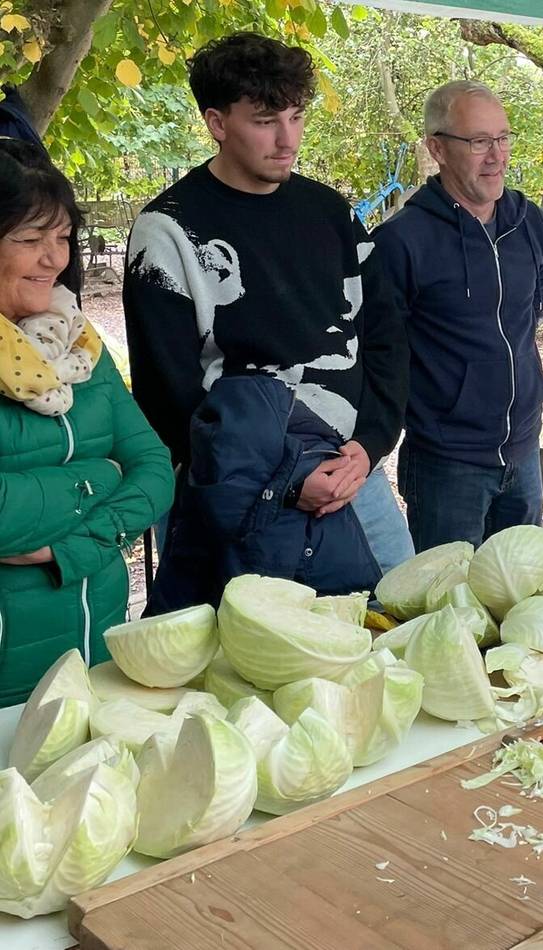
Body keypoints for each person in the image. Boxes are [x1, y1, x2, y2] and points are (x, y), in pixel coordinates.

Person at [122, 33, 411, 611]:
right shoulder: (167, 232)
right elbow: (167, 395)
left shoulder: (330, 213)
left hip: (352, 475)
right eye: (264, 121)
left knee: (400, 626)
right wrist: (281, 480)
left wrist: (370, 445)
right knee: (240, 664)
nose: (287, 140)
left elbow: (385, 336)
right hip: (235, 490)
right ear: (216, 122)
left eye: (297, 117)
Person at [0, 140, 174, 707]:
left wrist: (75, 546)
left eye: (61, 237)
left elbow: (153, 470)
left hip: (92, 652)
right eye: (29, 240)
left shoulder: (75, 345)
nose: (55, 259)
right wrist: (100, 477)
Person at [373, 80, 543, 552]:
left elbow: (529, 314)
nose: (496, 155)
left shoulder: (528, 222)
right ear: (438, 148)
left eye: (503, 138)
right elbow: (379, 353)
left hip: (524, 452)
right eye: (478, 142)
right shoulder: (401, 241)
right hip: (445, 464)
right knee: (448, 611)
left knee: (522, 600)